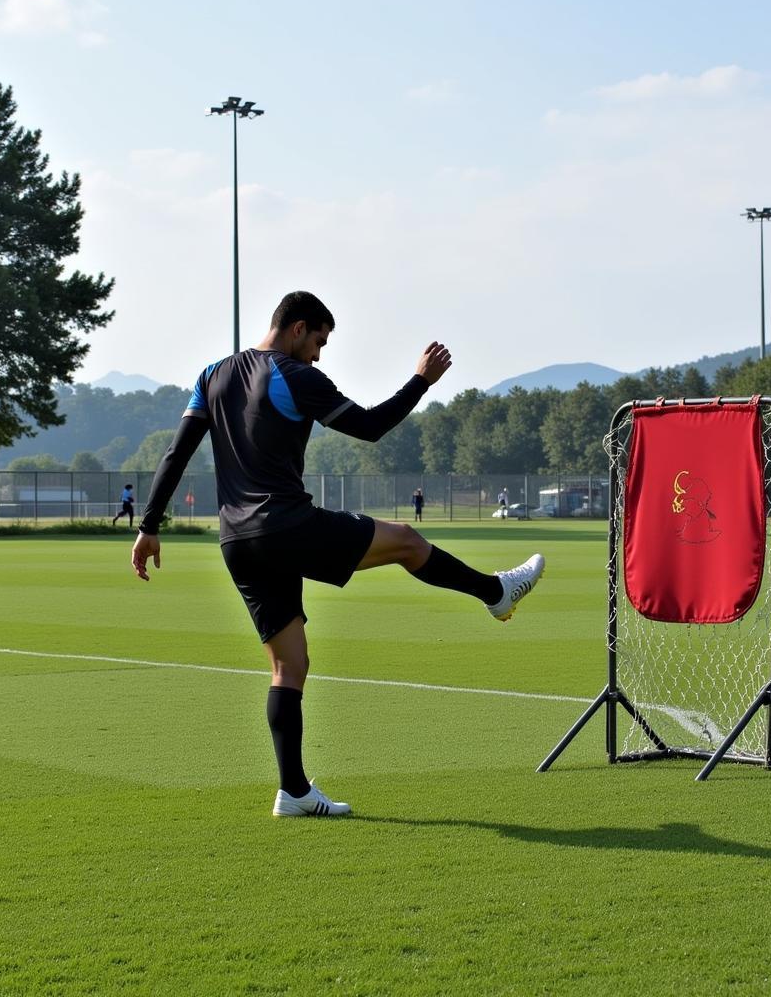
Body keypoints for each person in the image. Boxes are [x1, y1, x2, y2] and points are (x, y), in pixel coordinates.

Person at [129, 291, 544, 819]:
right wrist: (421, 380)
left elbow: (177, 452)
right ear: (299, 328)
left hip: (236, 541)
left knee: (289, 665)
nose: (320, 355)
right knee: (408, 542)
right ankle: (496, 592)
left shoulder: (212, 374)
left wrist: (148, 526)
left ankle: (294, 792)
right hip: (285, 524)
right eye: (320, 341)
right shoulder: (295, 375)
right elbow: (370, 426)